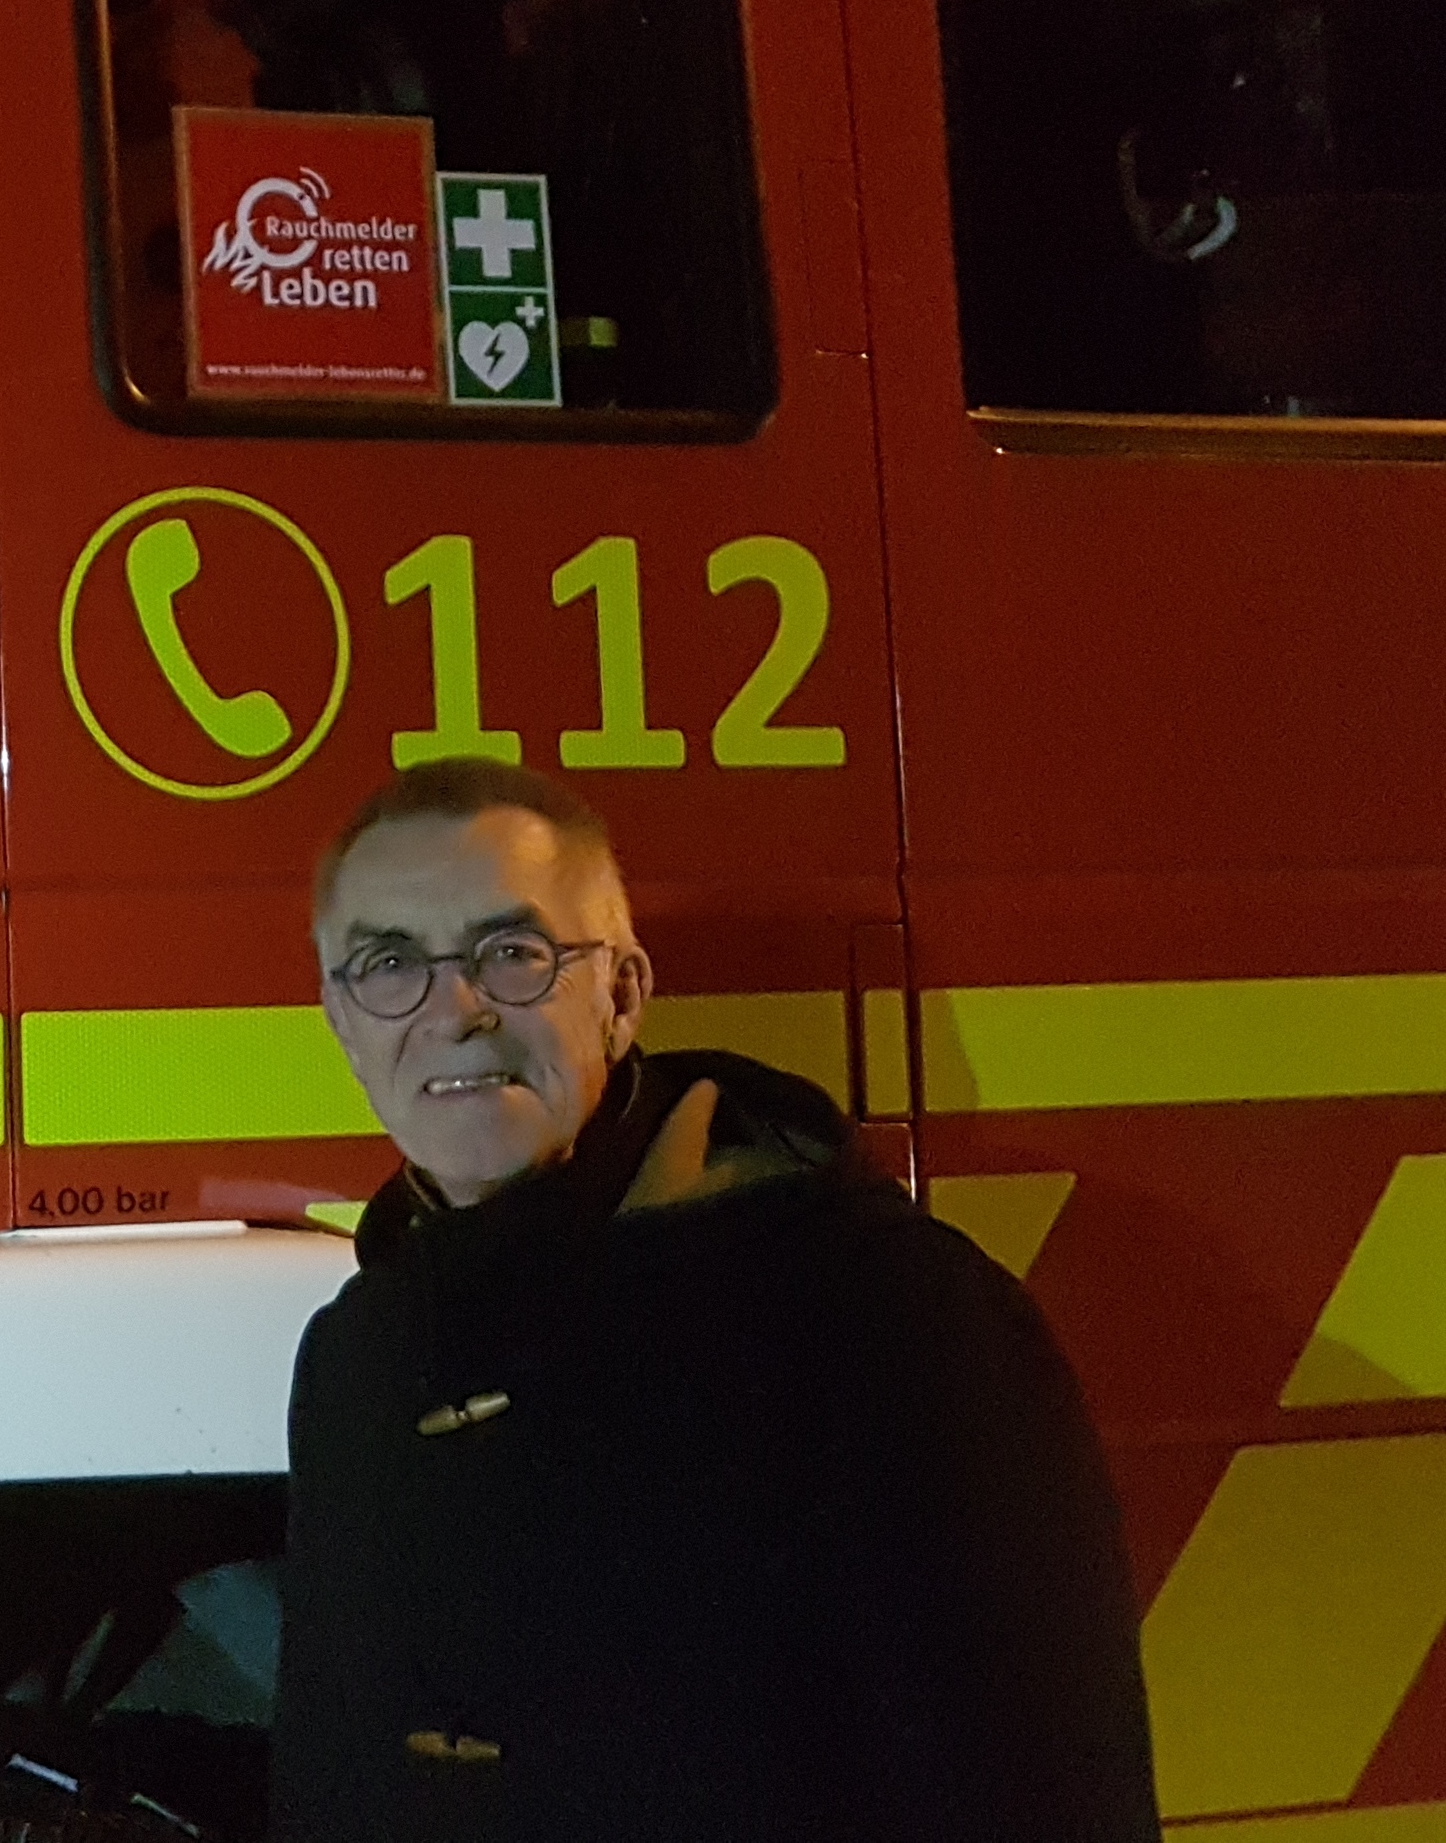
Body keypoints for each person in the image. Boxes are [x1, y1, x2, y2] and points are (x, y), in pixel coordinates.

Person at [274, 759, 1158, 1843]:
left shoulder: (891, 1314)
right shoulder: (351, 1360)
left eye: (513, 954)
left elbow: (1046, 1798)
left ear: (623, 994)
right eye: (390, 963)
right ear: (338, 1015)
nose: (456, 1013)